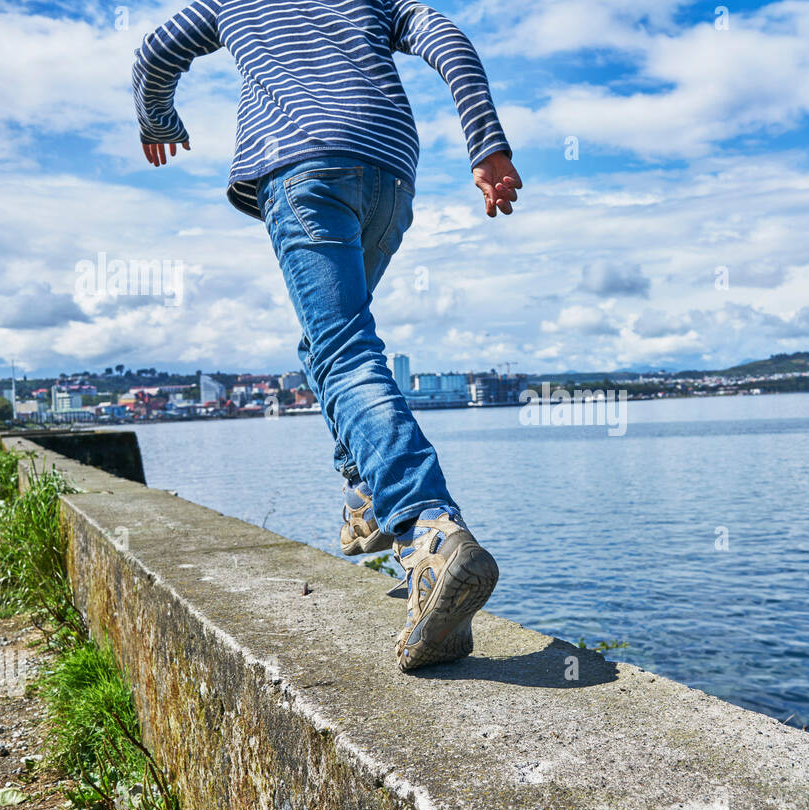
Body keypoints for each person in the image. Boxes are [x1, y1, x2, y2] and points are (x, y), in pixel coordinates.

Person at [132, 0, 522, 671]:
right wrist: (485, 142)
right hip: (388, 177)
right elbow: (448, 41)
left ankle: (427, 529)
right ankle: (367, 497)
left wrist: (159, 118)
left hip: (303, 168)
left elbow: (154, 53)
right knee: (327, 345)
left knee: (342, 349)